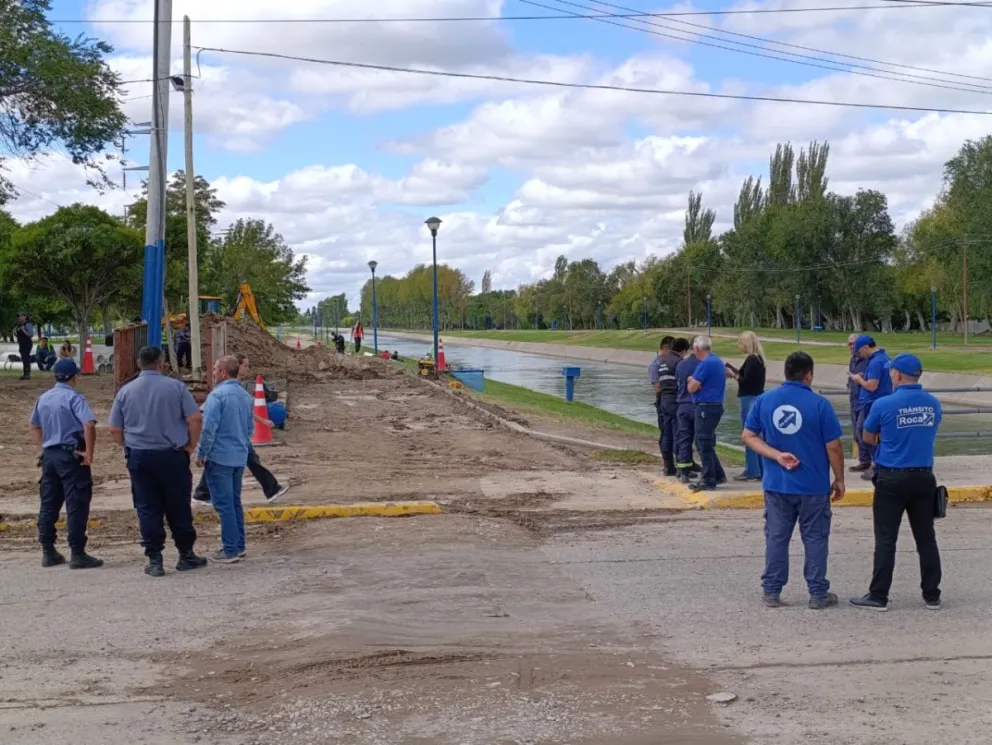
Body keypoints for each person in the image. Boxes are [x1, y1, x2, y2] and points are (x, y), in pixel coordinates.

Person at [742, 351, 846, 610]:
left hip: (778, 484)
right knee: (815, 538)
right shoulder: (820, 405)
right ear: (809, 374)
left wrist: (777, 456)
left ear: (785, 373)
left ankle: (772, 590)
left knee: (777, 537)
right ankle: (817, 592)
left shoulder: (765, 401)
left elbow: (748, 436)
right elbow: (833, 446)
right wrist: (839, 478)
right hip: (813, 485)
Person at [850, 354, 943, 612]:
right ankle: (931, 593)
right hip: (923, 475)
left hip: (892, 476)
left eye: (892, 372)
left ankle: (879, 595)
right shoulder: (933, 403)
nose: (890, 375)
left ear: (898, 375)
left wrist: (887, 440)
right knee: (926, 537)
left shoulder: (884, 404)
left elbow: (867, 435)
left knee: (886, 538)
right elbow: (932, 430)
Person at [108, 345, 208, 577]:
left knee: (147, 506)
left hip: (140, 457)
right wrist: (190, 445)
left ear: (138, 364)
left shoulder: (125, 391)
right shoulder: (176, 387)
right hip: (172, 455)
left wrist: (130, 445)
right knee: (178, 505)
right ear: (161, 364)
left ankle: (154, 559)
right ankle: (186, 554)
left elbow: (114, 429)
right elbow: (194, 418)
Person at [28, 359, 103, 569]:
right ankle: (77, 553)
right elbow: (88, 424)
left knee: (49, 503)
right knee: (76, 502)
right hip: (71, 455)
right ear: (73, 377)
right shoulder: (74, 398)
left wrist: (43, 448)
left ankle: (48, 550)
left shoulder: (43, 398)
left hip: (50, 456)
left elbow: (33, 426)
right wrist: (89, 453)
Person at [193, 353, 289, 506]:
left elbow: (245, 411)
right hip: (234, 433)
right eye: (245, 365)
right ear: (236, 367)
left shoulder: (236, 388)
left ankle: (203, 492)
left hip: (236, 433)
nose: (247, 369)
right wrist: (261, 422)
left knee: (237, 460)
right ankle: (271, 488)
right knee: (246, 461)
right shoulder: (228, 390)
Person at [195, 355, 255, 564]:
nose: (212, 372)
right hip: (239, 456)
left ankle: (230, 548)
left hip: (219, 457)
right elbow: (250, 429)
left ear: (222, 372)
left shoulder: (217, 396)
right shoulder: (245, 396)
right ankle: (239, 545)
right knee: (234, 502)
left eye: (214, 368)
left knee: (224, 504)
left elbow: (208, 429)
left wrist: (201, 453)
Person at [848, 335, 892, 481]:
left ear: (866, 347)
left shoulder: (875, 362)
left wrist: (859, 379)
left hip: (871, 402)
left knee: (865, 431)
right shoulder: (884, 358)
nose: (859, 354)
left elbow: (872, 386)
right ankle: (871, 462)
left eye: (859, 351)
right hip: (879, 400)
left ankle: (876, 465)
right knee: (870, 432)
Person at [686, 336, 727, 492]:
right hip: (716, 405)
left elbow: (691, 388)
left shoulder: (705, 364)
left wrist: (690, 380)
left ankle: (708, 479)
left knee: (703, 442)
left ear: (697, 349)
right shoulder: (717, 360)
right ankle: (717, 474)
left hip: (705, 407)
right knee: (707, 441)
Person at [728, 331, 766, 482]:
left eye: (740, 343)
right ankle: (761, 468)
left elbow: (746, 381)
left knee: (748, 435)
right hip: (758, 397)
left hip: (748, 398)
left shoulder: (751, 360)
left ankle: (752, 470)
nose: (739, 346)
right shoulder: (760, 360)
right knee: (758, 435)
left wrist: (735, 375)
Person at [649, 335, 682, 476]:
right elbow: (657, 387)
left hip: (665, 399)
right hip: (665, 400)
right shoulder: (656, 365)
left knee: (670, 432)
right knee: (668, 432)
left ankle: (674, 463)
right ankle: (669, 464)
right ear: (665, 349)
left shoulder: (663, 362)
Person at [673, 338, 701, 482]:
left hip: (682, 405)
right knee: (702, 439)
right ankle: (709, 471)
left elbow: (678, 382)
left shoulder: (681, 364)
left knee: (683, 438)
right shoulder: (701, 364)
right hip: (696, 405)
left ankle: (683, 470)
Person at [847, 333, 871, 472]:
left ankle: (870, 460)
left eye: (853, 343)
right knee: (856, 432)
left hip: (864, 400)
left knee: (862, 430)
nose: (851, 347)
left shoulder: (868, 360)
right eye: (849, 344)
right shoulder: (853, 359)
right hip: (854, 398)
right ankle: (864, 460)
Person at [14, 313, 34, 380]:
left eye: (21, 316)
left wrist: (23, 329)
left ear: (25, 317)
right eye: (19, 316)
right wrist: (15, 333)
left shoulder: (28, 324)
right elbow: (18, 334)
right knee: (24, 358)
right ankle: (25, 373)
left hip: (27, 343)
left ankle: (27, 374)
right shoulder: (19, 325)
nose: (19, 317)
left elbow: (30, 334)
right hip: (21, 343)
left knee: (26, 358)